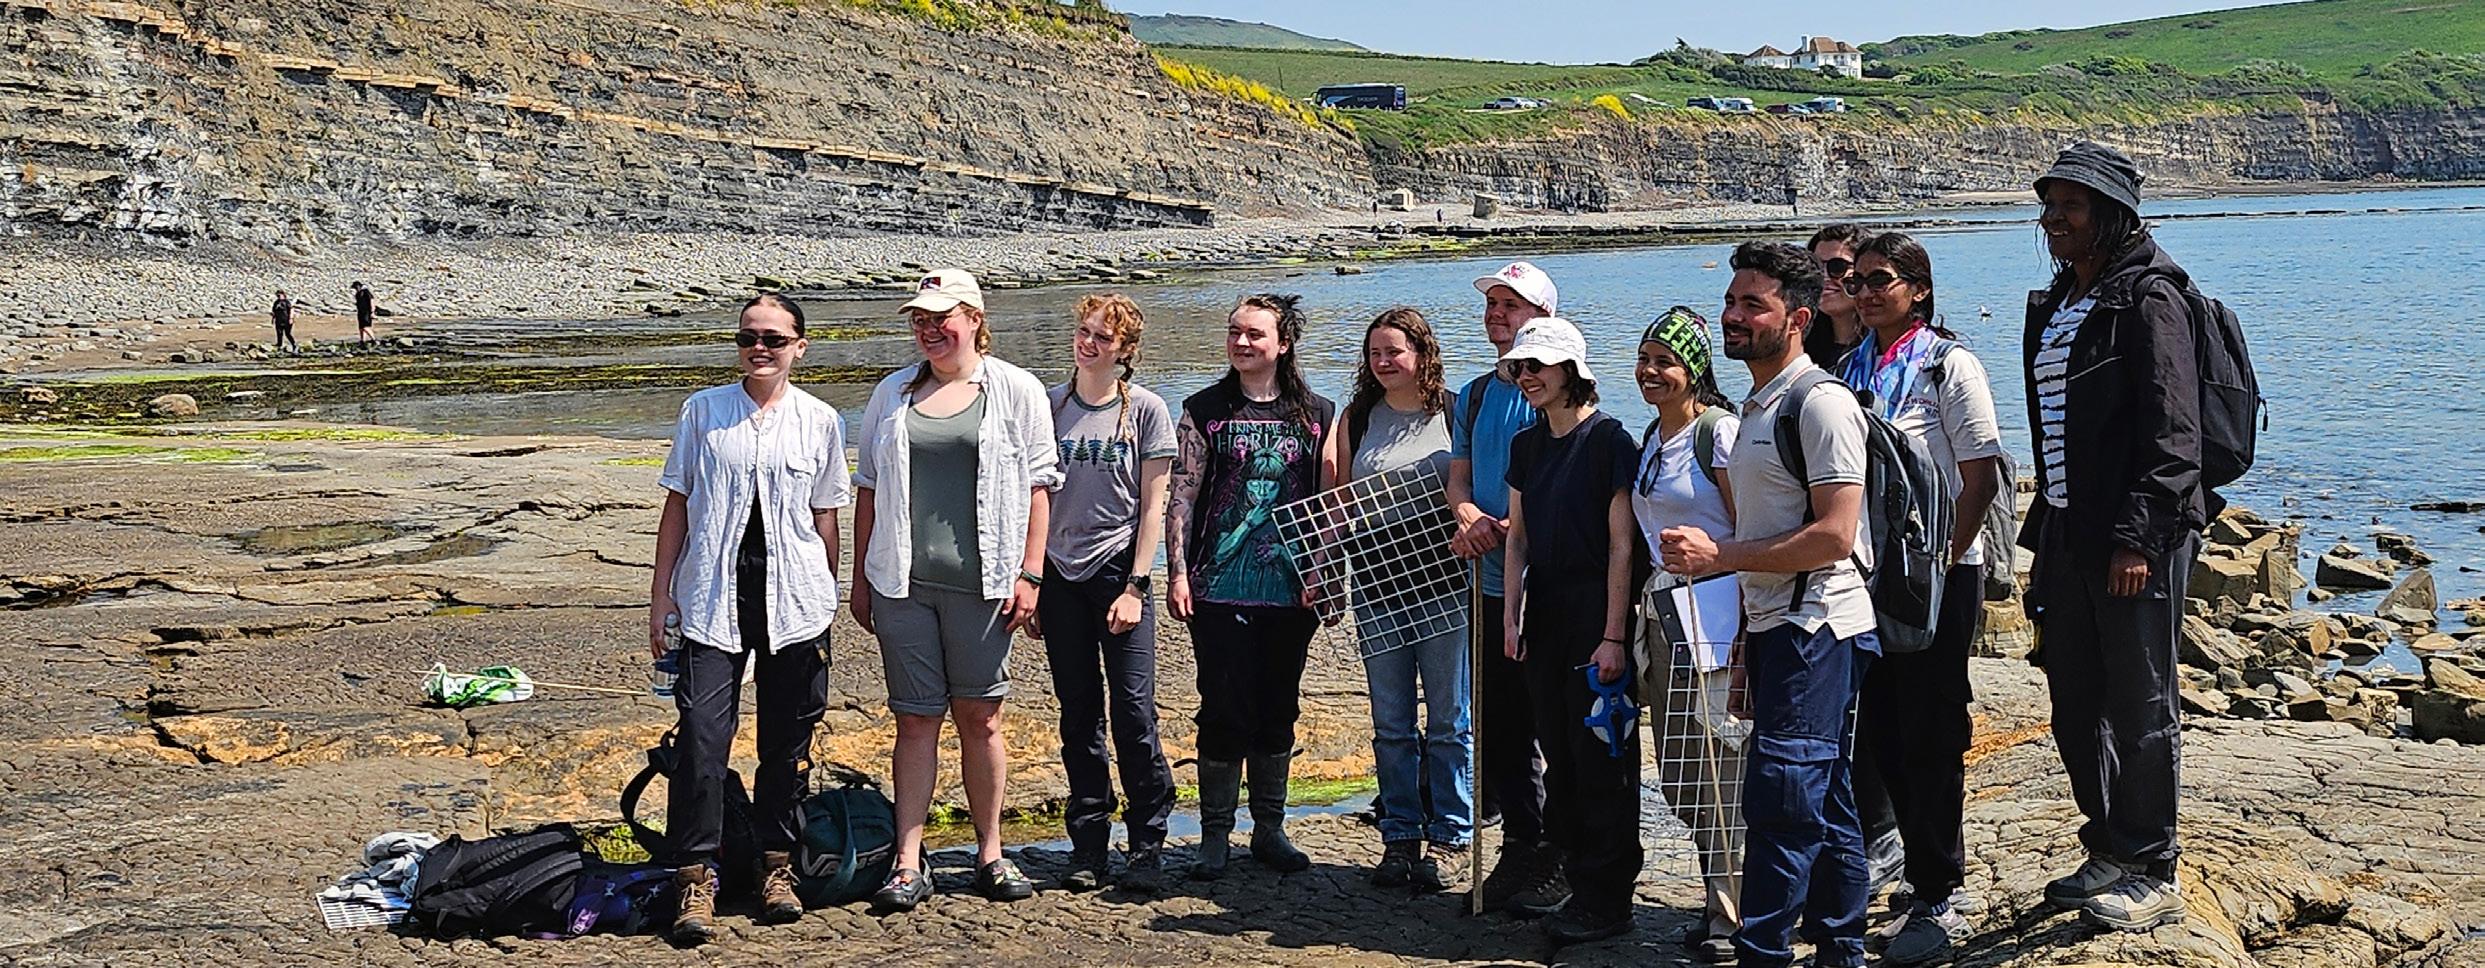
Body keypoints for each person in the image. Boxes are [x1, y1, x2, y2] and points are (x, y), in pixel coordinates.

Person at [1659, 241, 1879, 968]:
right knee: (1825, 797)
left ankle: (1763, 952)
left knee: (1782, 800)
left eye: (1753, 304)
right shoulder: (1758, 406)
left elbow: (1835, 535)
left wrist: (1718, 558)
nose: (1733, 315)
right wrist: (1750, 631)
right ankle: (1840, 949)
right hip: (1780, 625)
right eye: (1731, 301)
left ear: (1798, 319)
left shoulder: (1820, 403)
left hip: (1818, 626)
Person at [2024, 141, 2203, 933]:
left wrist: (2138, 539)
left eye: (2070, 205)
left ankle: (2152, 866)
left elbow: (2174, 435)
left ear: (2112, 214)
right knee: (2073, 700)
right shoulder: (2065, 297)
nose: (2052, 218)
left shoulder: (2149, 297)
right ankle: (2108, 845)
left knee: (2140, 703)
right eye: (2049, 204)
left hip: (2134, 537)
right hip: (2067, 530)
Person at [851, 269, 1061, 910]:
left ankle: (990, 853)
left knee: (982, 717)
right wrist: (859, 579)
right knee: (915, 720)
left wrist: (1031, 573)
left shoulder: (1016, 389)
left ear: (973, 318)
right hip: (902, 583)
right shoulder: (892, 393)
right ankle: (907, 862)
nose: (929, 329)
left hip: (985, 585)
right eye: (920, 319)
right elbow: (869, 489)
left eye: (941, 318)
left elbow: (1039, 487)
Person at [648, 293, 850, 944]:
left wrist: (828, 594)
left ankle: (777, 867)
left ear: (799, 347)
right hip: (711, 597)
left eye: (773, 338)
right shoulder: (703, 411)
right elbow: (678, 503)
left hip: (795, 601)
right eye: (748, 338)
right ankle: (694, 876)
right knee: (702, 739)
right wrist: (661, 595)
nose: (759, 348)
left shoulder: (819, 419)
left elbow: (825, 515)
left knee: (786, 746)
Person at [1835, 232, 2005, 964]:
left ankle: (1942, 891)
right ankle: (1913, 867)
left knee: (1931, 731)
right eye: (1858, 281)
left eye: (1882, 280)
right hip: (1869, 576)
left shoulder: (1947, 364)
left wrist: (1940, 559)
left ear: (1919, 291)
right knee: (1881, 730)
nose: (1867, 292)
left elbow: (1981, 473)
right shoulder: (1847, 367)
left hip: (1939, 575)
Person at [1167, 293, 1337, 881]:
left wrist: (1321, 571)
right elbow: (1183, 496)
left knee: (1278, 707)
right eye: (1234, 332)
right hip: (1216, 588)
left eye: (1255, 334)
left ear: (1283, 344)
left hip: (1291, 590)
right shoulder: (1204, 409)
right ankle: (1215, 834)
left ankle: (1270, 828)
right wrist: (1178, 572)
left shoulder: (1318, 413)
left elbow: (1328, 501)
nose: (1241, 342)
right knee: (1222, 708)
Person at [1498, 317, 1642, 945]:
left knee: (1602, 756)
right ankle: (1576, 883)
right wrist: (1510, 615)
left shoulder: (1610, 440)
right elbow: (1518, 537)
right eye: (1520, 367)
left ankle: (1608, 897)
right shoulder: (1527, 445)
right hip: (1545, 610)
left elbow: (1622, 545)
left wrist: (1613, 635)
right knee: (1558, 750)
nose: (1526, 376)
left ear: (1571, 371)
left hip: (1595, 610)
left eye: (1538, 366)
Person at [1038, 293, 1179, 895]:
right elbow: (1030, 498)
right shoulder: (1048, 406)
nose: (1088, 343)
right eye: (1084, 331)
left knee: (1133, 712)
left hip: (1119, 571)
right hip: (1058, 574)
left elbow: (1153, 505)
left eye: (1102, 336)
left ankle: (1147, 840)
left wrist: (1137, 585)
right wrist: (1031, 579)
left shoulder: (1145, 410)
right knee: (1078, 714)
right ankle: (1089, 843)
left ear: (1126, 350)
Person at [1328, 307, 1471, 892]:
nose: (1384, 362)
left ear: (1422, 354)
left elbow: (1474, 488)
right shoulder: (1358, 416)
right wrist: (1326, 572)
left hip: (1445, 586)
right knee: (1391, 724)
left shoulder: (1456, 411)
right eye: (1375, 353)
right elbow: (1337, 501)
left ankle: (1452, 835)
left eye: (1394, 351)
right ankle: (1400, 835)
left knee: (1449, 722)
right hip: (1376, 585)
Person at [1629, 306, 1744, 964]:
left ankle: (1732, 917)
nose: (1651, 372)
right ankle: (1713, 899)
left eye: (1665, 361)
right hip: (1664, 618)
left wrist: (1747, 625)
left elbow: (1748, 527)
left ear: (1694, 369)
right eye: (1645, 359)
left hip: (1717, 620)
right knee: (1681, 775)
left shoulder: (1717, 432)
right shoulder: (1653, 434)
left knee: (1722, 773)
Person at [1446, 260, 1559, 910]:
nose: (1497, 314)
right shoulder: (1473, 395)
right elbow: (1459, 477)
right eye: (1492, 303)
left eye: (1510, 305)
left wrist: (1513, 526)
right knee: (1501, 727)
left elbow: (1565, 475)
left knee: (1552, 724)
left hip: (1545, 585)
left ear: (1543, 317)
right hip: (1486, 582)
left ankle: (1558, 852)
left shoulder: (1556, 389)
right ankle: (1520, 845)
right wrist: (1468, 516)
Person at [1806, 222, 1902, 898]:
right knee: (1837, 711)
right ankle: (1846, 844)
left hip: (1894, 557)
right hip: (1834, 560)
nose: (1833, 281)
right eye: (1819, 268)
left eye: (1844, 268)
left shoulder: (1900, 355)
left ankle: (1885, 835)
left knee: (1887, 705)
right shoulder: (1809, 362)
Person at [1805, 225, 1869, 372]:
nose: (1825, 277)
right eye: (1815, 267)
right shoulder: (1797, 346)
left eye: (1837, 267)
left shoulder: (1886, 349)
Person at [351, 281, 375, 348]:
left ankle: (374, 340)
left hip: (367, 312)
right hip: (360, 312)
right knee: (361, 328)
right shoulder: (358, 294)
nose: (356, 289)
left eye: (356, 287)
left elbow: (371, 300)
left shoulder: (366, 292)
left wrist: (372, 311)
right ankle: (363, 341)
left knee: (365, 327)